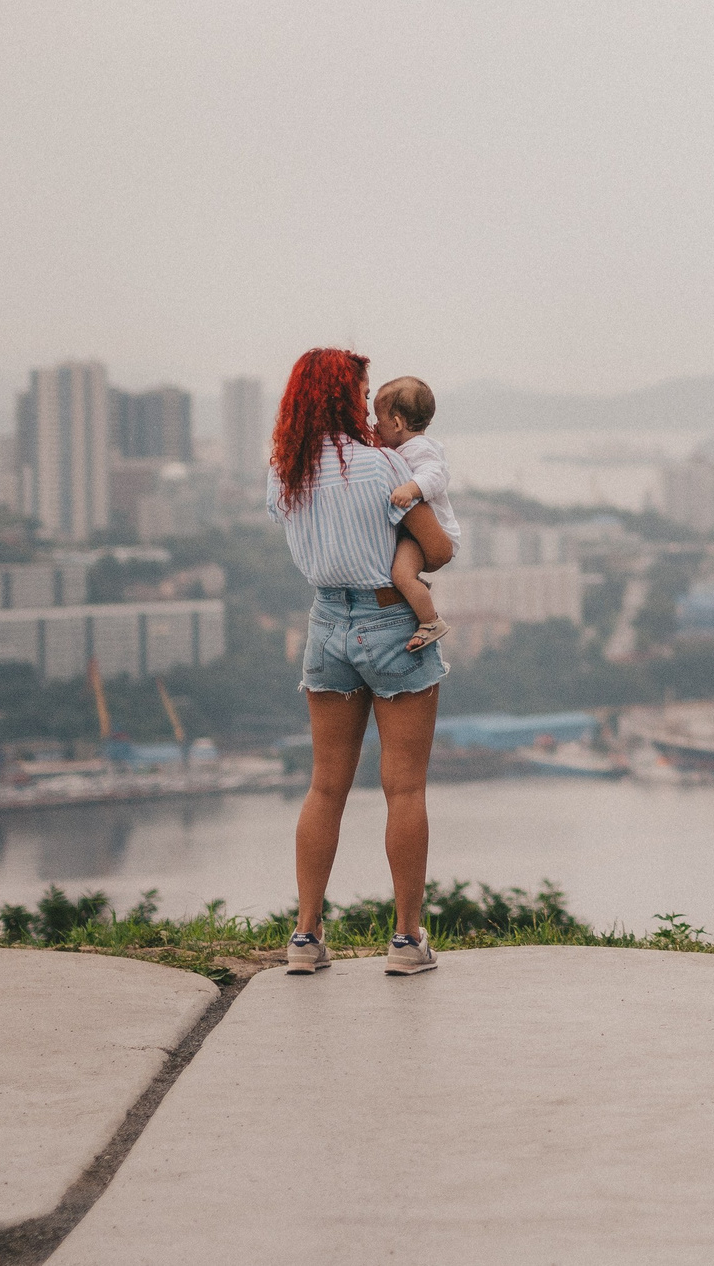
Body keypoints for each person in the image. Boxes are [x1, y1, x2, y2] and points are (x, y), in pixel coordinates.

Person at [265, 347, 457, 979]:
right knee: (403, 788)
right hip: (391, 623)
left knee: (325, 786)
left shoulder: (283, 471)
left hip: (326, 624)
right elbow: (437, 546)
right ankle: (405, 943)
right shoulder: (383, 467)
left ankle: (304, 936)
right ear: (346, 397)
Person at [375, 375, 456, 654]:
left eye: (379, 420)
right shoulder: (407, 448)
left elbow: (436, 476)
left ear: (397, 423)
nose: (375, 425)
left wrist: (410, 489)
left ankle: (430, 622)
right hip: (416, 536)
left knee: (401, 576)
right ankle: (417, 591)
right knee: (402, 574)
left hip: (430, 536)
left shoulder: (419, 449)